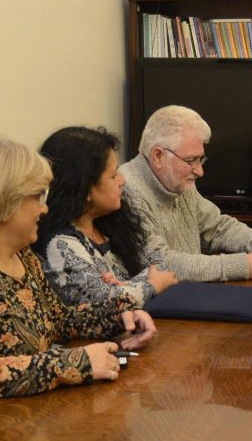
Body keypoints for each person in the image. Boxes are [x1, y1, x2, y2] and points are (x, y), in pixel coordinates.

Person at [0, 135, 156, 401]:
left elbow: (57, 320)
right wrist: (69, 364)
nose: (44, 209)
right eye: (38, 196)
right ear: (5, 201)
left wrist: (120, 314)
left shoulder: (22, 255)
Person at [119, 105, 252, 282]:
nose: (199, 171)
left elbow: (217, 227)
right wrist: (244, 265)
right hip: (158, 310)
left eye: (200, 159)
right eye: (191, 160)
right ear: (158, 156)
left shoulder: (177, 182)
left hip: (185, 296)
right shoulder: (127, 191)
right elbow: (160, 264)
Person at [33, 126, 177, 309]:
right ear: (85, 189)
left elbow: (161, 264)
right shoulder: (60, 244)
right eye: (113, 175)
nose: (122, 180)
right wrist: (151, 285)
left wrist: (126, 288)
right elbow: (104, 304)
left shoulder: (112, 220)